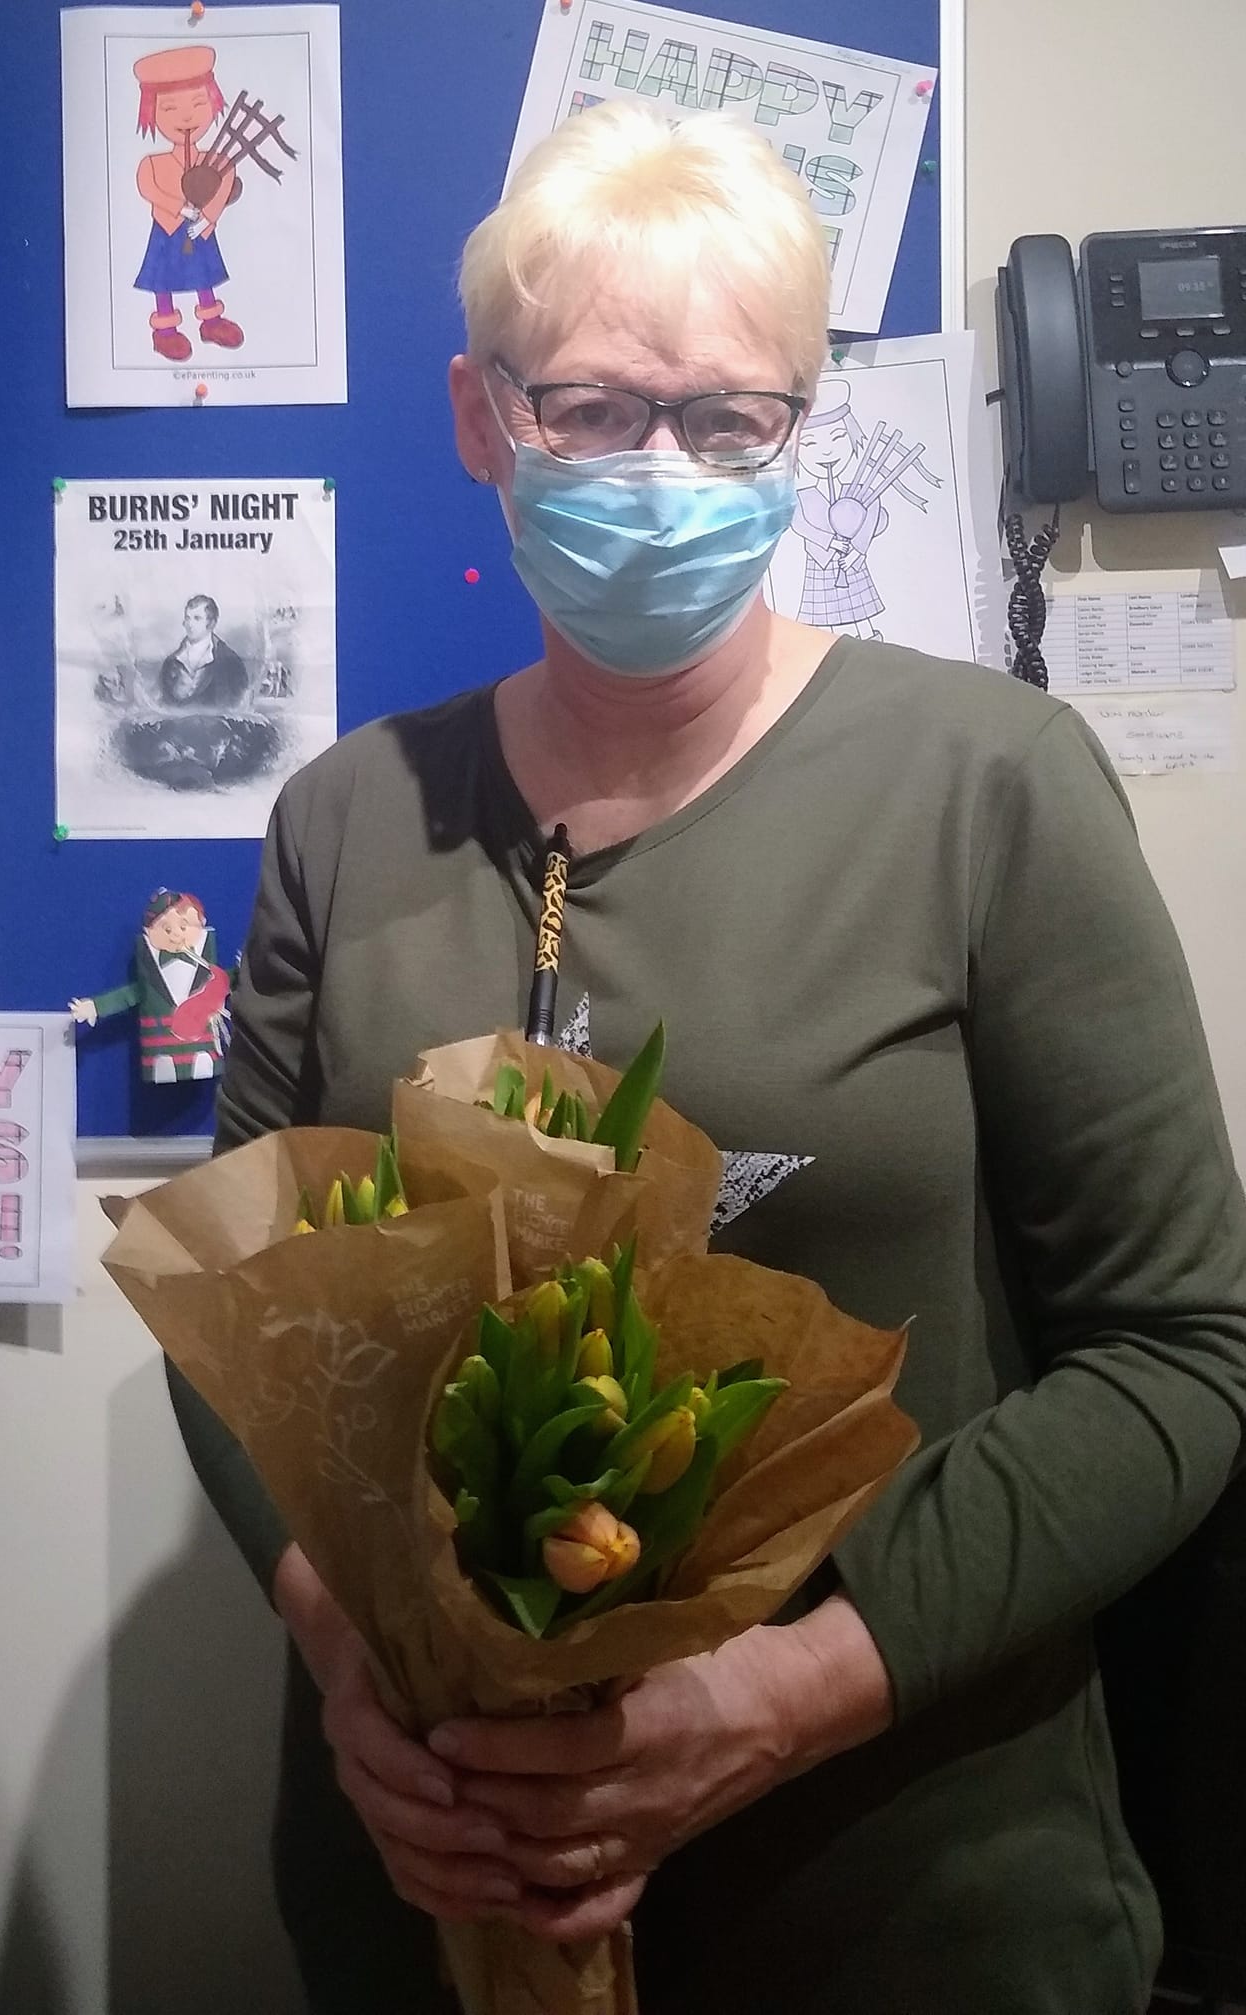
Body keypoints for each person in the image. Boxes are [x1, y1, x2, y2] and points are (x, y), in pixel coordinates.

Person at [165, 100, 1246, 2015]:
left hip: (912, 1899)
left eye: (726, 419)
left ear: (794, 435)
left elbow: (1182, 1354)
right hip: (423, 1895)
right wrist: (343, 1651)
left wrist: (764, 1699)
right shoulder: (343, 818)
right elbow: (238, 1322)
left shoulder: (989, 788)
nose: (656, 468)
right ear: (479, 418)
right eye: (587, 409)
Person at [130, 46, 245, 362]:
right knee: (163, 276)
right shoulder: (151, 164)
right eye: (168, 109)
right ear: (151, 113)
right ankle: (165, 331)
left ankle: (210, 321)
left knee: (204, 273)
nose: (186, 116)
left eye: (198, 103)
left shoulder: (217, 161)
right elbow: (148, 188)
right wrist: (180, 208)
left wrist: (208, 218)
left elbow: (223, 183)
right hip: (167, 231)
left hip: (199, 231)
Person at [70, 887, 231, 1083]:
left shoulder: (208, 964)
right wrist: (96, 1006)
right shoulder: (148, 965)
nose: (176, 936)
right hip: (159, 1048)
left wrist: (245, 972)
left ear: (201, 925)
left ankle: (200, 1058)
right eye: (166, 929)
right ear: (149, 931)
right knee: (163, 1065)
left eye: (184, 926)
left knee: (203, 1060)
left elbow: (223, 983)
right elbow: (131, 993)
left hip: (203, 1045)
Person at [157, 594, 250, 710]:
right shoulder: (171, 663)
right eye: (187, 618)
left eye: (197, 618)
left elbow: (238, 707)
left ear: (211, 623)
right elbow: (163, 705)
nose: (190, 624)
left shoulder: (231, 663)